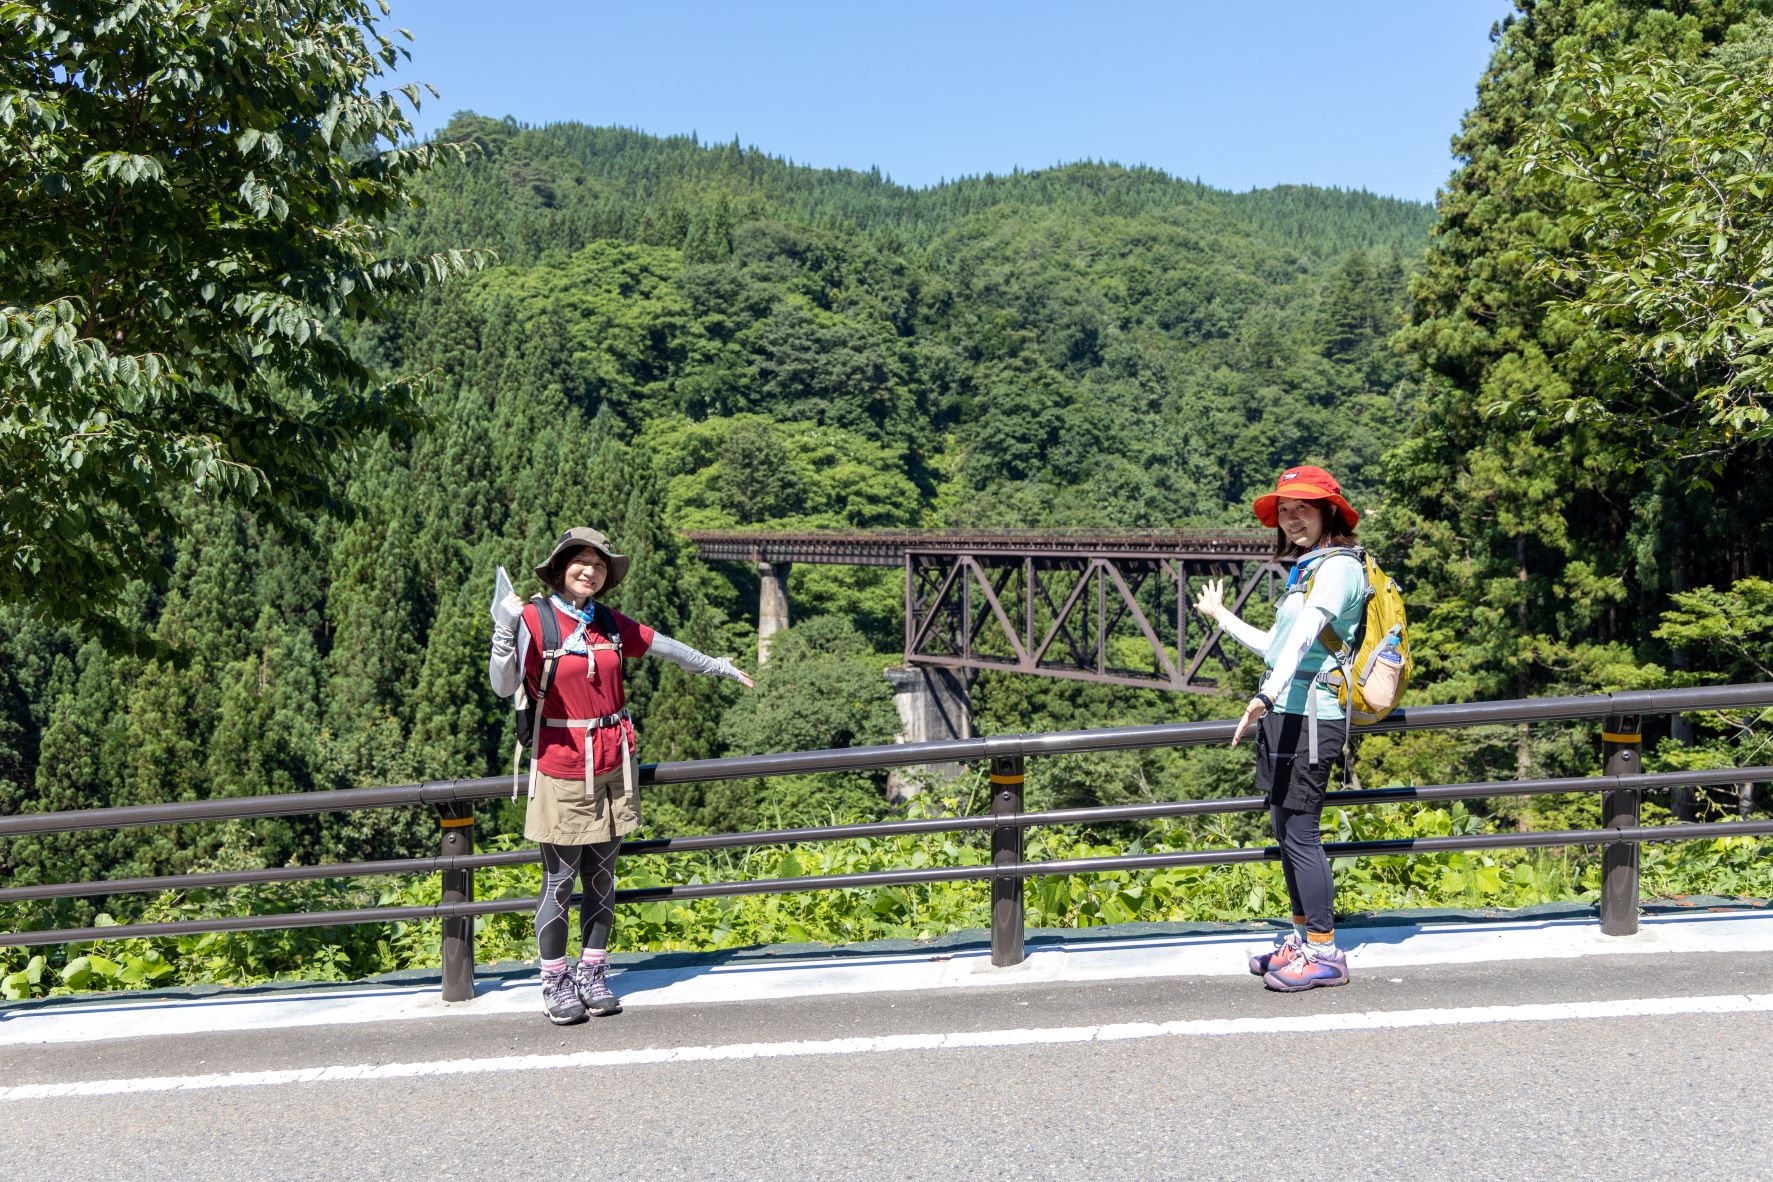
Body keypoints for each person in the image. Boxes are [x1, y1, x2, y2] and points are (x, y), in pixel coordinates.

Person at [488, 527, 753, 1025]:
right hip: (562, 763)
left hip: (614, 761)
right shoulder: (534, 619)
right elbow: (502, 685)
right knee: (560, 880)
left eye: (600, 564)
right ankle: (555, 979)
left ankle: (593, 971)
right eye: (580, 562)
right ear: (561, 567)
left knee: (603, 876)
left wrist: (717, 666)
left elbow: (664, 646)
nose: (590, 570)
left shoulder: (606, 622)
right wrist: (503, 629)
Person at [1193, 465, 1368, 992]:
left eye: (1303, 508)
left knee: (1301, 832)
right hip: (1285, 713)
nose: (1291, 518)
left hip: (1313, 717)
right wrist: (1221, 615)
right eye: (1285, 509)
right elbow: (1277, 645)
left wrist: (1265, 695)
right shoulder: (1308, 569)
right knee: (1283, 827)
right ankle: (1300, 939)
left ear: (1329, 513)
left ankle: (1325, 951)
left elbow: (1309, 633)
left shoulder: (1338, 569)